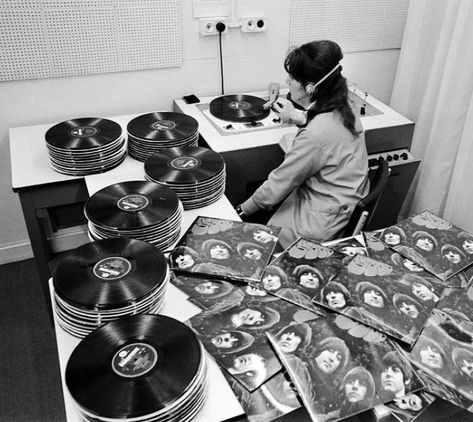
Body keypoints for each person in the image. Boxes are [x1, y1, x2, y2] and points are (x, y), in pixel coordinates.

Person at [237, 40, 370, 248]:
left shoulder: (314, 136)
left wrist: (240, 211)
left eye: (292, 78)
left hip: (318, 225)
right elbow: (329, 128)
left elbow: (277, 186)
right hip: (341, 203)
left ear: (310, 87)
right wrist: (299, 117)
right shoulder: (347, 104)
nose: (287, 81)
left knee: (257, 231)